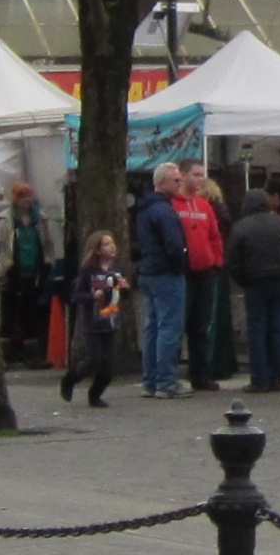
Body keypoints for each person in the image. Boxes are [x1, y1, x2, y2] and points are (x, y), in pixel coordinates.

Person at [225, 179, 280, 395]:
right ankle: (276, 376)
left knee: (256, 329)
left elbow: (233, 260)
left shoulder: (240, 227)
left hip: (254, 282)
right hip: (278, 280)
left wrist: (242, 280)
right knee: (278, 328)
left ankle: (259, 378)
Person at [134, 164, 194, 398]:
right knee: (169, 327)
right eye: (176, 180)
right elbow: (174, 244)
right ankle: (166, 381)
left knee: (153, 326)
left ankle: (150, 380)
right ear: (162, 182)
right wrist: (181, 265)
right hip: (166, 273)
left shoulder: (144, 209)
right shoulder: (164, 210)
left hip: (149, 271)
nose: (180, 184)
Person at [179, 170, 230, 390]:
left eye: (202, 175)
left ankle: (200, 373)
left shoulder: (204, 205)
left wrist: (216, 261)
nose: (200, 179)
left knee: (201, 327)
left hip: (206, 273)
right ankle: (169, 375)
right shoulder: (174, 205)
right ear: (183, 176)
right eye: (195, 174)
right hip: (182, 273)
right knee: (177, 325)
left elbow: (214, 236)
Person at [0, 181, 55, 387]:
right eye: (23, 196)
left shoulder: (40, 219)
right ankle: (7, 354)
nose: (27, 200)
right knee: (8, 313)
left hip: (36, 270)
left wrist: (48, 262)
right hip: (12, 270)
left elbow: (48, 243)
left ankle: (34, 354)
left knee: (32, 312)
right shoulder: (5, 219)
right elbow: (1, 246)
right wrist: (3, 268)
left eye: (29, 195)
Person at [65, 232, 127, 406]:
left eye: (112, 243)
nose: (112, 247)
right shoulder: (88, 271)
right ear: (98, 250)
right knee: (94, 359)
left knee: (108, 366)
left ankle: (95, 395)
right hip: (93, 322)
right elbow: (77, 296)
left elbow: (123, 295)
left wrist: (125, 287)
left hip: (111, 320)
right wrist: (93, 296)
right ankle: (71, 378)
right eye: (106, 244)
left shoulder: (117, 268)